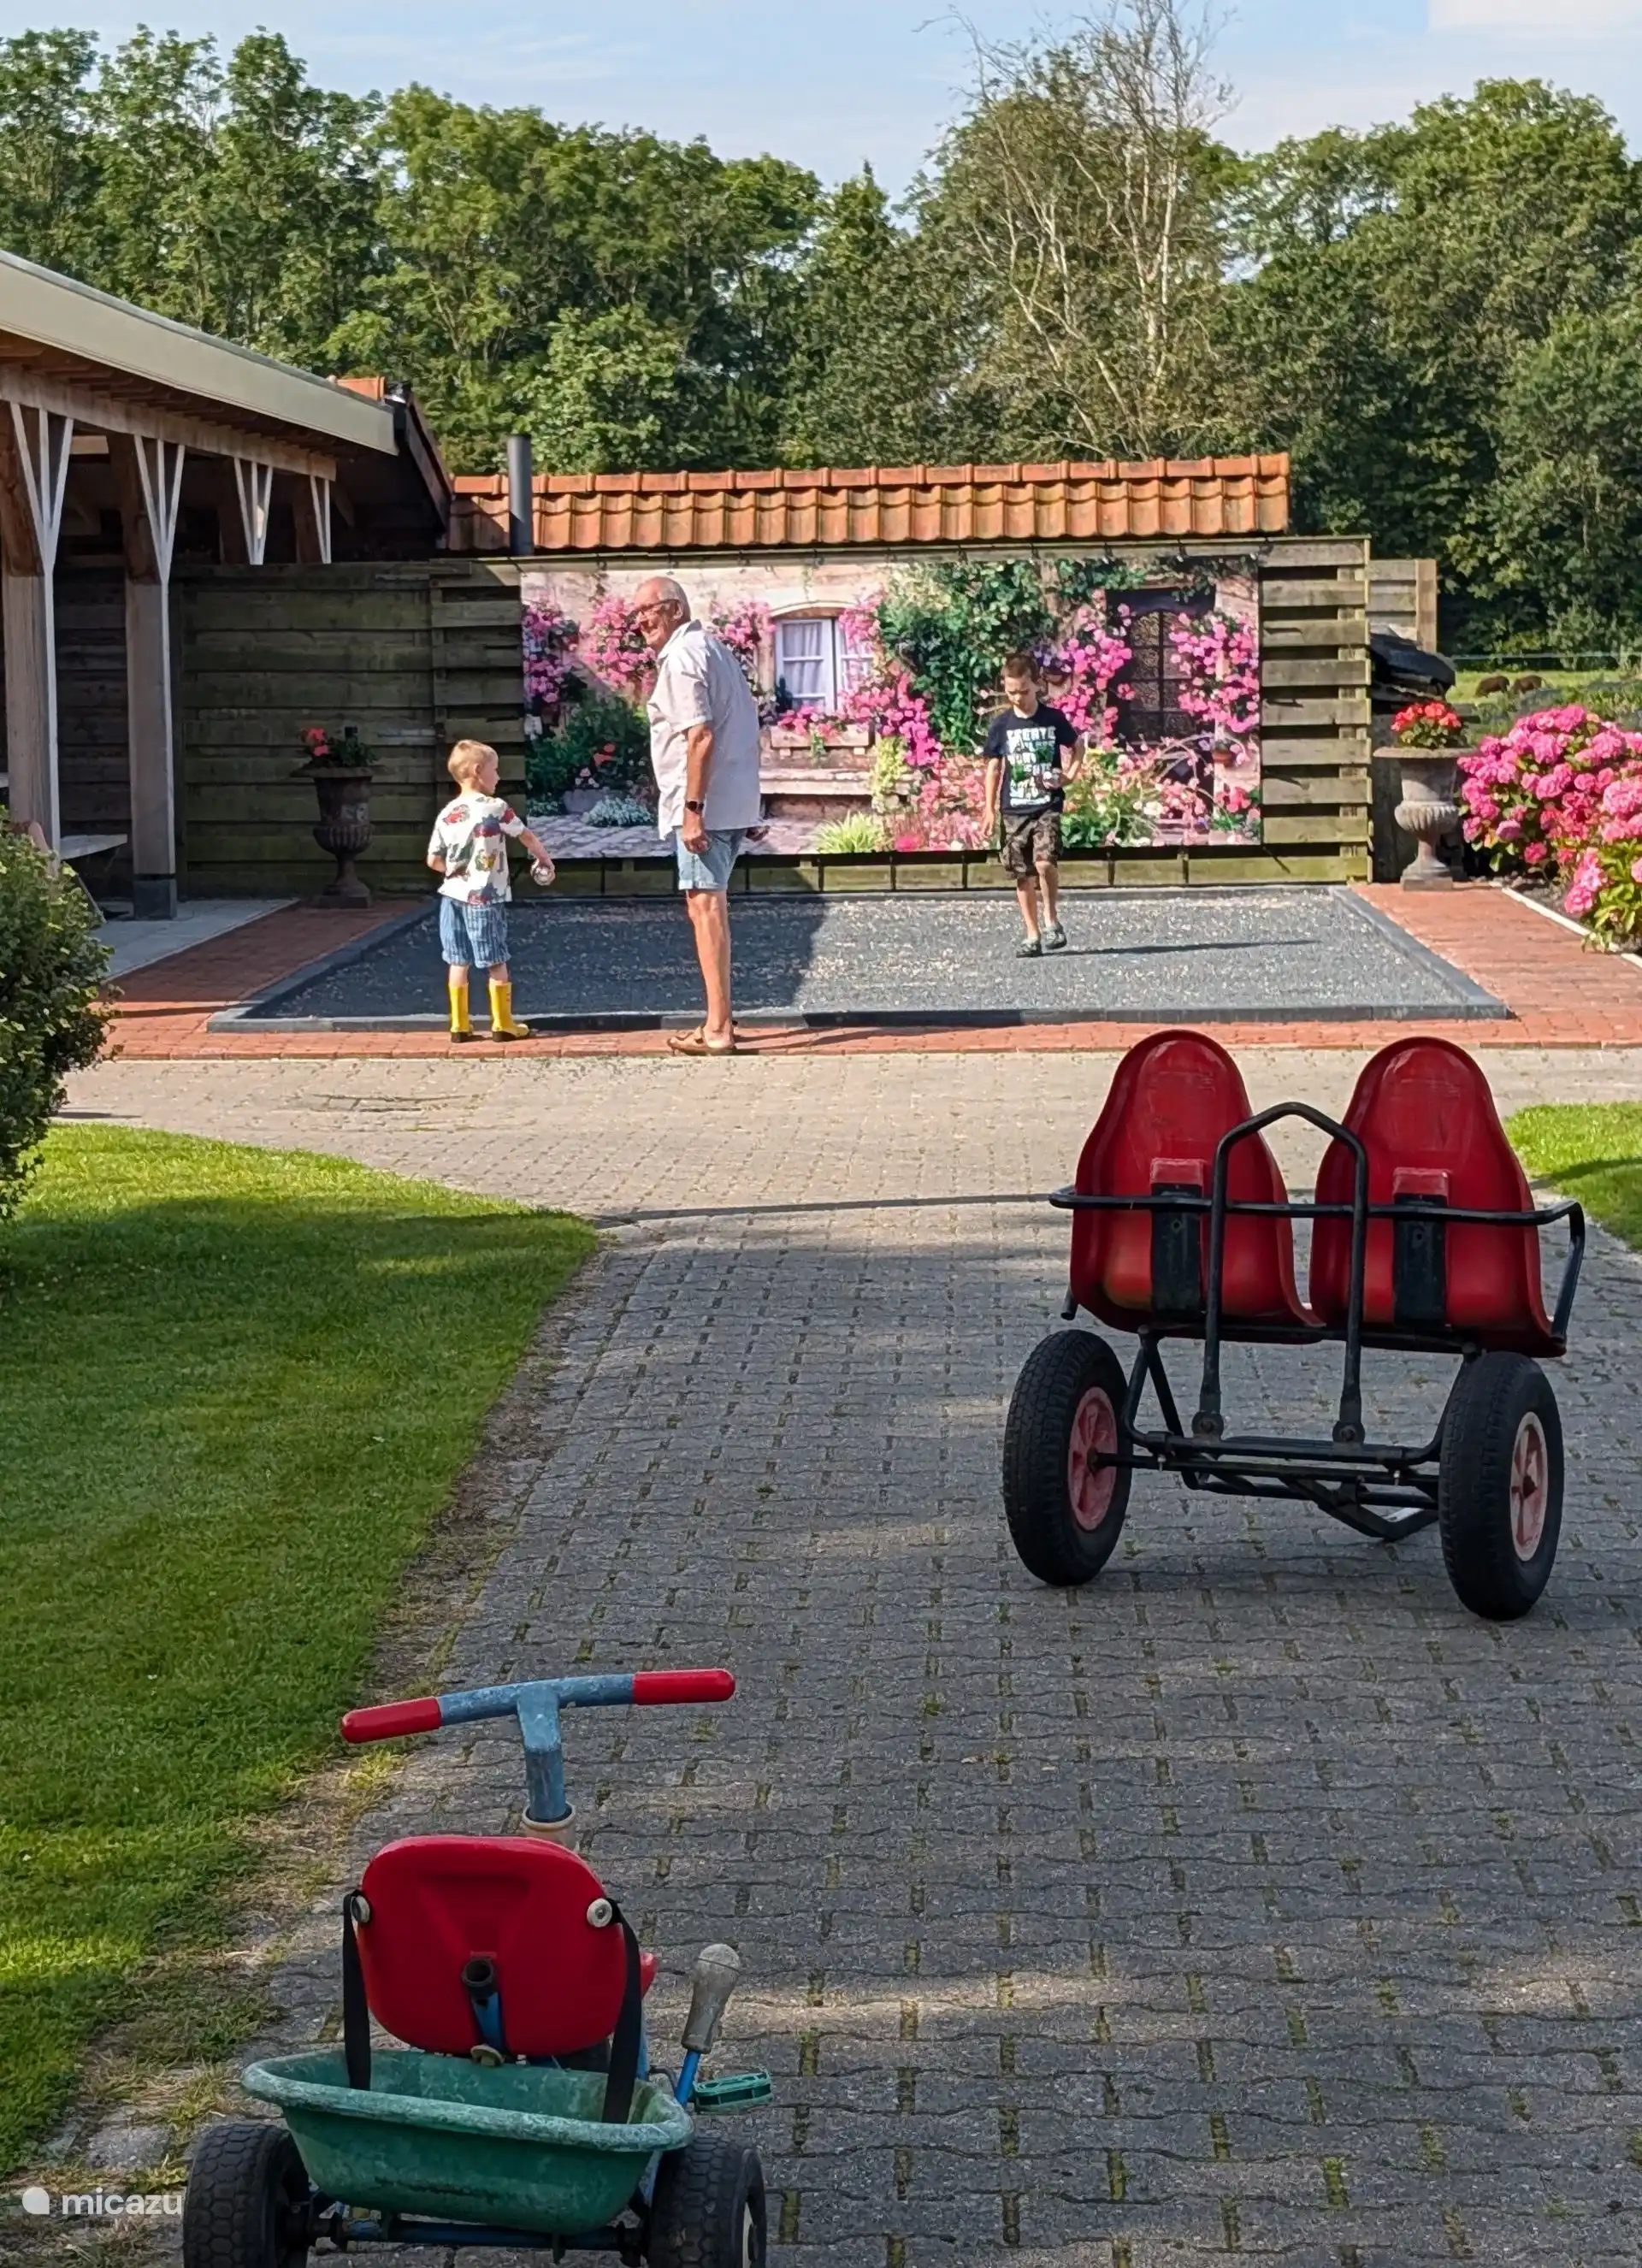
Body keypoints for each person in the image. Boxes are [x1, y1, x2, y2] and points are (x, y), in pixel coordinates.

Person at [632, 576, 764, 1057]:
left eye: (645, 611)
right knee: (712, 907)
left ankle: (717, 1028)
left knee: (704, 909)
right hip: (727, 803)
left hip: (704, 810)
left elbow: (701, 735)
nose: (639, 622)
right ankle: (721, 1019)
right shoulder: (714, 650)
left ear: (672, 609)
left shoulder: (684, 658)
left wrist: (692, 811)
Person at [426, 739, 555, 1043]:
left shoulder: (448, 812)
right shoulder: (495, 808)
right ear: (478, 770)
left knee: (458, 960)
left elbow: (433, 860)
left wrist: (455, 872)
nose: (498, 777)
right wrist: (544, 858)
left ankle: (459, 1025)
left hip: (452, 896)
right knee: (495, 958)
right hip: (484, 897)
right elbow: (524, 835)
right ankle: (503, 1023)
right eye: (495, 770)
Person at [981, 652, 1084, 957]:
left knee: (1044, 862)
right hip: (1013, 809)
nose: (1017, 697)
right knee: (1021, 873)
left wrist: (1070, 776)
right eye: (1011, 692)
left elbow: (1077, 746)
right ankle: (1032, 934)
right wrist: (988, 808)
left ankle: (1052, 920)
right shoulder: (1002, 725)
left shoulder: (1052, 719)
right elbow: (993, 768)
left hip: (1046, 804)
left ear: (1037, 685)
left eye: (1023, 691)